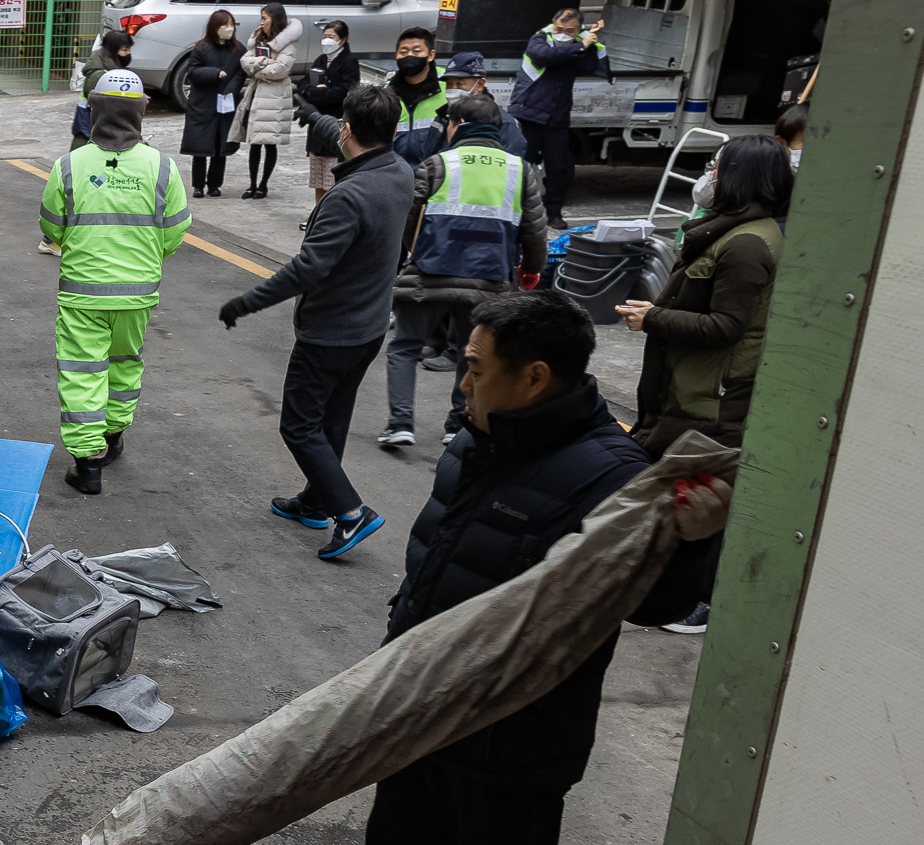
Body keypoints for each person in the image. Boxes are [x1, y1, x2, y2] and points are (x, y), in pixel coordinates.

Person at [351, 289, 726, 845]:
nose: (462, 380)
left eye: (475, 366)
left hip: (510, 746)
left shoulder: (610, 476)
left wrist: (695, 543)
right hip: (417, 709)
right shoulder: (478, 434)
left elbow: (657, 601)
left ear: (534, 377)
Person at [217, 83, 412, 558]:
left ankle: (350, 512)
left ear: (348, 131)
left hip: (331, 333)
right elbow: (349, 135)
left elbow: (309, 269)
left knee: (300, 426)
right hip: (369, 328)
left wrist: (246, 302)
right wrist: (313, 116)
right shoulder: (400, 171)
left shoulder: (349, 196)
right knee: (332, 420)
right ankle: (316, 500)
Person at [40, 69, 189, 496]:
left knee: (82, 370)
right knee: (125, 364)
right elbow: (176, 231)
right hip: (138, 291)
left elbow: (51, 227)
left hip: (83, 291)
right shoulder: (162, 166)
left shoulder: (68, 165)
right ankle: (112, 437)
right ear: (141, 111)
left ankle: (88, 464)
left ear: (95, 108)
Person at [379, 90, 548, 450]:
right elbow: (534, 231)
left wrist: (413, 251)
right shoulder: (521, 171)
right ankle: (458, 425)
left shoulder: (437, 164)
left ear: (459, 125)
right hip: (490, 281)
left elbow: (408, 219)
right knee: (470, 355)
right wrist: (532, 271)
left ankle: (400, 424)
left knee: (405, 347)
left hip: (429, 274)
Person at [619, 133, 794, 456]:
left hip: (707, 399)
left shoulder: (746, 244)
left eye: (717, 166)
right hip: (690, 387)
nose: (711, 175)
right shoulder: (734, 230)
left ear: (739, 175)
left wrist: (652, 318)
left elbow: (726, 325)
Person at [508, 8, 607, 230]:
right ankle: (515, 211)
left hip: (557, 119)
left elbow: (589, 67)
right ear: (553, 25)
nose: (562, 33)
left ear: (577, 30)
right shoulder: (540, 39)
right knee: (521, 166)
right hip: (529, 114)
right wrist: (580, 45)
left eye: (569, 31)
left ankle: (554, 213)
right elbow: (544, 56)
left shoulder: (579, 44)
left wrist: (589, 44)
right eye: (559, 29)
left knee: (558, 169)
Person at [230, 3, 304, 199]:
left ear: (275, 18)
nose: (261, 22)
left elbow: (280, 70)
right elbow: (245, 61)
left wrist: (257, 69)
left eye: (265, 18)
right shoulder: (260, 38)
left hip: (275, 96)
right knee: (255, 142)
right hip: (257, 93)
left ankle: (263, 185)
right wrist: (263, 62)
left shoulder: (288, 43)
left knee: (270, 142)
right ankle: (252, 184)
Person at [178, 8, 246, 199]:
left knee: (220, 148)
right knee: (200, 148)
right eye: (225, 25)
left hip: (226, 103)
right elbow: (193, 71)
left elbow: (241, 72)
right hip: (203, 104)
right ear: (215, 27)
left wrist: (231, 88)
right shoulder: (201, 48)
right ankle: (198, 185)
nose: (229, 28)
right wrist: (214, 73)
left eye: (231, 24)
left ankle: (215, 185)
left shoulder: (238, 49)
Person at [299, 19, 362, 201]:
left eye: (331, 37)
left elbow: (344, 92)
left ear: (342, 40)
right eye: (324, 36)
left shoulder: (349, 62)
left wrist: (319, 93)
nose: (326, 40)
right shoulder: (320, 59)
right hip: (316, 125)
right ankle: (316, 211)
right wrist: (311, 91)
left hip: (336, 121)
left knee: (332, 175)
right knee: (318, 177)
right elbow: (303, 83)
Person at [69, 27, 140, 151]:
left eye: (129, 49)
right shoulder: (99, 75)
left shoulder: (110, 67)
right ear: (112, 50)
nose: (128, 53)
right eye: (124, 50)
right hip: (90, 128)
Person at [387, 27, 448, 157]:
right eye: (403, 52)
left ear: (431, 55)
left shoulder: (448, 84)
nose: (409, 56)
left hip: (436, 170)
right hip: (398, 171)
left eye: (416, 51)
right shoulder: (386, 93)